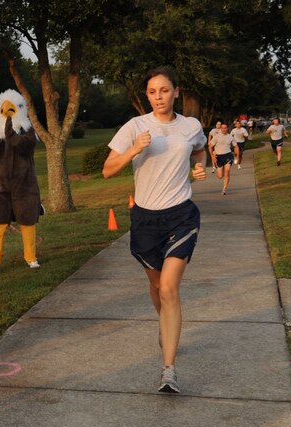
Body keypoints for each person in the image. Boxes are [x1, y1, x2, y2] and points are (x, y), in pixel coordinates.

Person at [102, 66, 207, 393]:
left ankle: (169, 370)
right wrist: (134, 149)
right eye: (152, 92)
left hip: (181, 215)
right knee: (156, 286)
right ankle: (166, 323)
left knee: (169, 288)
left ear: (177, 91)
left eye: (164, 90)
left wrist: (200, 165)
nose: (158, 97)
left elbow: (199, 148)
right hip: (146, 220)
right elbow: (107, 170)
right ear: (147, 96)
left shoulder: (191, 126)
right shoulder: (135, 127)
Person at [0, 89, 42, 277]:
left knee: (27, 222)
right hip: (2, 188)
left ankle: (31, 258)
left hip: (26, 187)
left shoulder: (28, 129)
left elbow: (26, 146)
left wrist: (13, 136)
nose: (8, 113)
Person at [209, 123, 239, 195]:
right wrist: (213, 156)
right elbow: (210, 146)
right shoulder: (217, 137)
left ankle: (224, 189)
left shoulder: (230, 137)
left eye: (225, 128)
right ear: (221, 129)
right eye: (222, 128)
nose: (224, 129)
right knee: (220, 176)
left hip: (228, 155)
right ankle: (220, 170)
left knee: (227, 171)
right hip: (219, 156)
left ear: (227, 129)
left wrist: (237, 156)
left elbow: (236, 147)